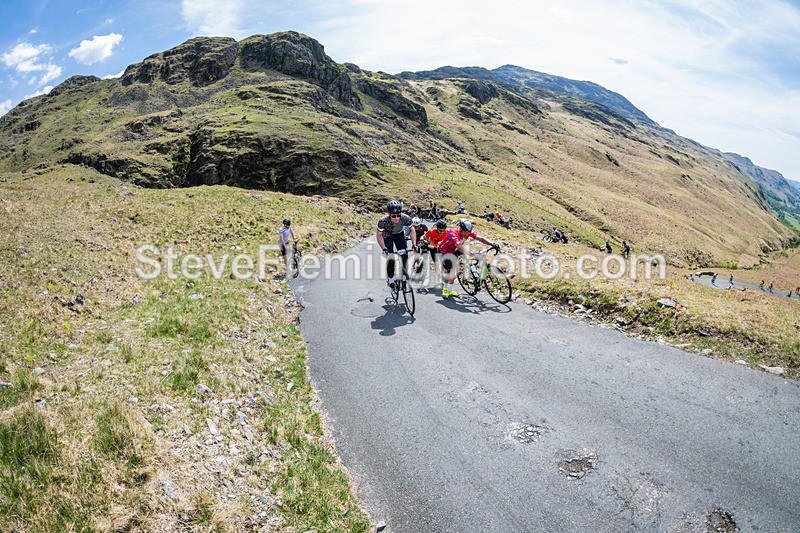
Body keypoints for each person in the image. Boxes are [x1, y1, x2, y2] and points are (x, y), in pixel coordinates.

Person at [437, 219, 497, 298]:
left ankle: (450, 290)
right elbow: (459, 247)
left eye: (468, 232)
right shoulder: (453, 234)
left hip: (455, 250)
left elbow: (480, 238)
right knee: (450, 271)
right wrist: (472, 255)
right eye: (465, 232)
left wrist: (492, 243)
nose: (467, 234)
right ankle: (445, 289)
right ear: (460, 229)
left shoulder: (467, 232)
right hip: (444, 252)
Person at [377, 200, 417, 291]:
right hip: (387, 236)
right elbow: (379, 235)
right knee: (391, 259)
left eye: (398, 215)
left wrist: (414, 244)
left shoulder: (405, 218)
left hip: (399, 235)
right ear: (389, 214)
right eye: (393, 216)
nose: (396, 218)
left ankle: (404, 276)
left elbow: (412, 230)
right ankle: (391, 279)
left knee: (404, 255)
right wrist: (384, 248)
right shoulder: (383, 221)